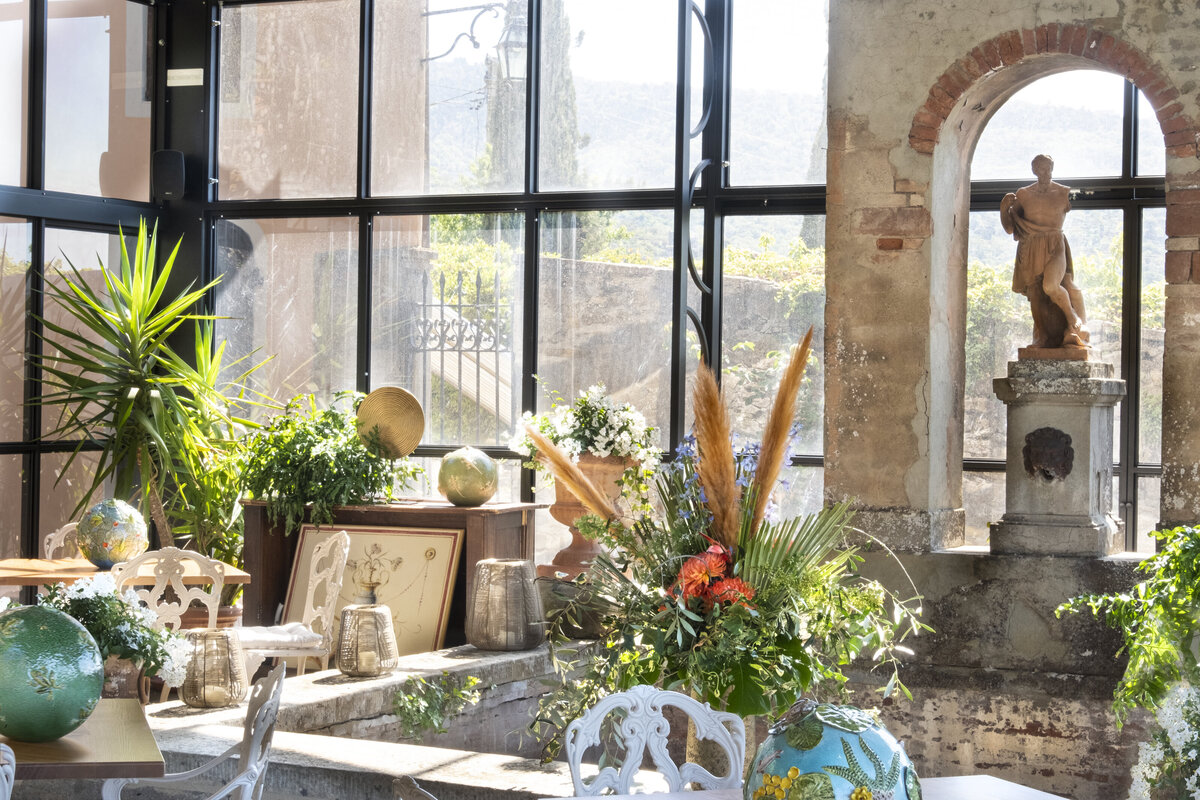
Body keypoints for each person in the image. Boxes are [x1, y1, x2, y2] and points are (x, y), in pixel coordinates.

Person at [1000, 154, 1088, 348]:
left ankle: (1072, 317)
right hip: (1030, 245)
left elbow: (1083, 195)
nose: (1044, 172)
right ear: (1034, 170)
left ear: (1052, 167)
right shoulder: (1023, 194)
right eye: (1040, 168)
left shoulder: (1063, 192)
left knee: (1051, 285)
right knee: (1036, 293)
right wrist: (1003, 209)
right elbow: (1009, 229)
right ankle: (1042, 337)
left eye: (1047, 168)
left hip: (1055, 243)